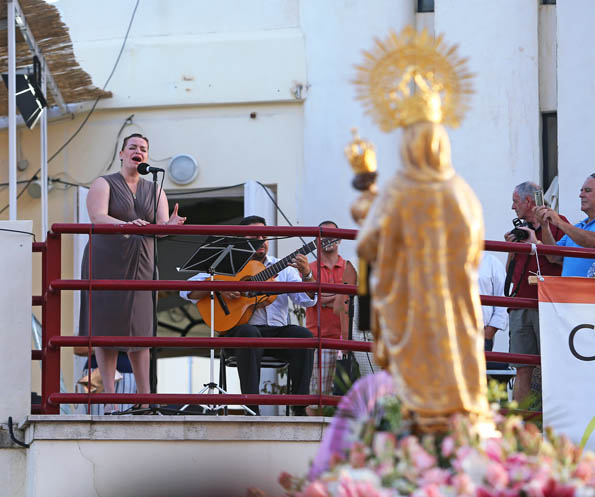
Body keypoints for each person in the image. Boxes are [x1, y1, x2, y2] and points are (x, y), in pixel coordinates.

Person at [79, 133, 186, 413]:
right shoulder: (104, 183)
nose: (138, 152)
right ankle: (111, 400)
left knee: (141, 329)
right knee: (107, 328)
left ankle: (145, 398)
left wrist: (170, 224)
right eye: (133, 147)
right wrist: (127, 224)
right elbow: (97, 217)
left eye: (143, 149)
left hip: (143, 261)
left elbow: (161, 228)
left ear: (146, 157)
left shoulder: (156, 189)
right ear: (122, 154)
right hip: (107, 259)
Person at [180, 215, 317, 415]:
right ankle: (251, 408)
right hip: (241, 335)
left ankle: (299, 406)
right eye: (254, 236)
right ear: (242, 240)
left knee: (304, 337)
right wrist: (218, 285)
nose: (261, 240)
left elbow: (307, 300)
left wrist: (307, 275)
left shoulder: (282, 267)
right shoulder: (226, 267)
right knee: (249, 333)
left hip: (276, 334)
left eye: (265, 236)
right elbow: (186, 290)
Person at [503, 181, 567, 403]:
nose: (513, 207)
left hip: (546, 304)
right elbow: (511, 276)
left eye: (515, 201)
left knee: (552, 366)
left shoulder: (557, 224)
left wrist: (535, 242)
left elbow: (556, 258)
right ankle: (519, 423)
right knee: (522, 368)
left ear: (528, 201)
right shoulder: (519, 230)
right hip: (520, 305)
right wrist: (512, 250)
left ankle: (552, 422)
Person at [305, 221, 357, 411]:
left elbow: (319, 297)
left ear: (340, 239)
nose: (328, 239)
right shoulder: (308, 268)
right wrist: (340, 295)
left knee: (346, 401)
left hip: (346, 341)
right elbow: (311, 298)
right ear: (316, 241)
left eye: (332, 235)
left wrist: (324, 297)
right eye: (323, 235)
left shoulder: (349, 267)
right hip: (319, 338)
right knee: (316, 397)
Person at [534, 173, 595, 276]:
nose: (581, 195)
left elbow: (591, 241)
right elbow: (553, 257)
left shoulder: (574, 230)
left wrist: (559, 222)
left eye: (587, 191)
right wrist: (545, 226)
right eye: (581, 191)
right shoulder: (578, 227)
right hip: (568, 291)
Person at [478, 253, 507, 352]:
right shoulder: (445, 259)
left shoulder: (492, 262)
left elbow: (503, 300)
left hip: (481, 331)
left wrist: (488, 335)